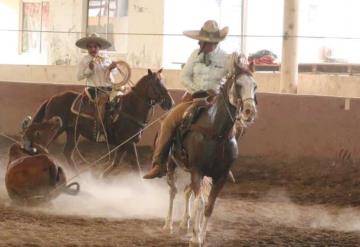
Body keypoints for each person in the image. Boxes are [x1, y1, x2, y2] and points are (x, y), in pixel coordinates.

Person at [143, 20, 235, 179]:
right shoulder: (195, 55)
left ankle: (226, 163)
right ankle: (159, 163)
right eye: (202, 42)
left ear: (214, 42)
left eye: (205, 42)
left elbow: (233, 79)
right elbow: (184, 76)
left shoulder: (227, 59)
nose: (202, 44)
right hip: (193, 98)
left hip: (217, 100)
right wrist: (197, 92)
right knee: (168, 122)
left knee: (233, 124)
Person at [76, 33, 117, 142]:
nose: (93, 49)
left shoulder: (106, 58)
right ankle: (100, 131)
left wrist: (113, 68)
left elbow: (115, 73)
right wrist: (89, 69)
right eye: (90, 47)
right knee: (102, 102)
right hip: (95, 89)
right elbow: (79, 76)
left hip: (109, 88)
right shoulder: (85, 60)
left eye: (95, 47)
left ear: (99, 47)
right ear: (87, 48)